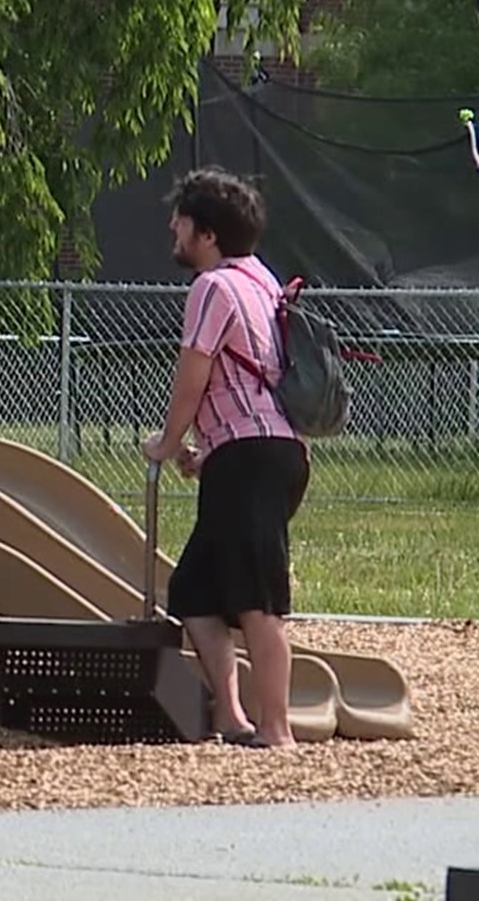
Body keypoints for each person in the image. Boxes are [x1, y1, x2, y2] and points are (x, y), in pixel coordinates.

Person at [141, 166, 310, 751]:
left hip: (253, 457)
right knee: (194, 592)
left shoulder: (211, 288)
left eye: (181, 220)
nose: (173, 228)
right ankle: (233, 719)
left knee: (256, 599)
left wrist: (167, 442)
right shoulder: (261, 280)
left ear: (206, 233)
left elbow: (196, 374)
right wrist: (209, 454)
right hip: (267, 452)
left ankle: (277, 729)